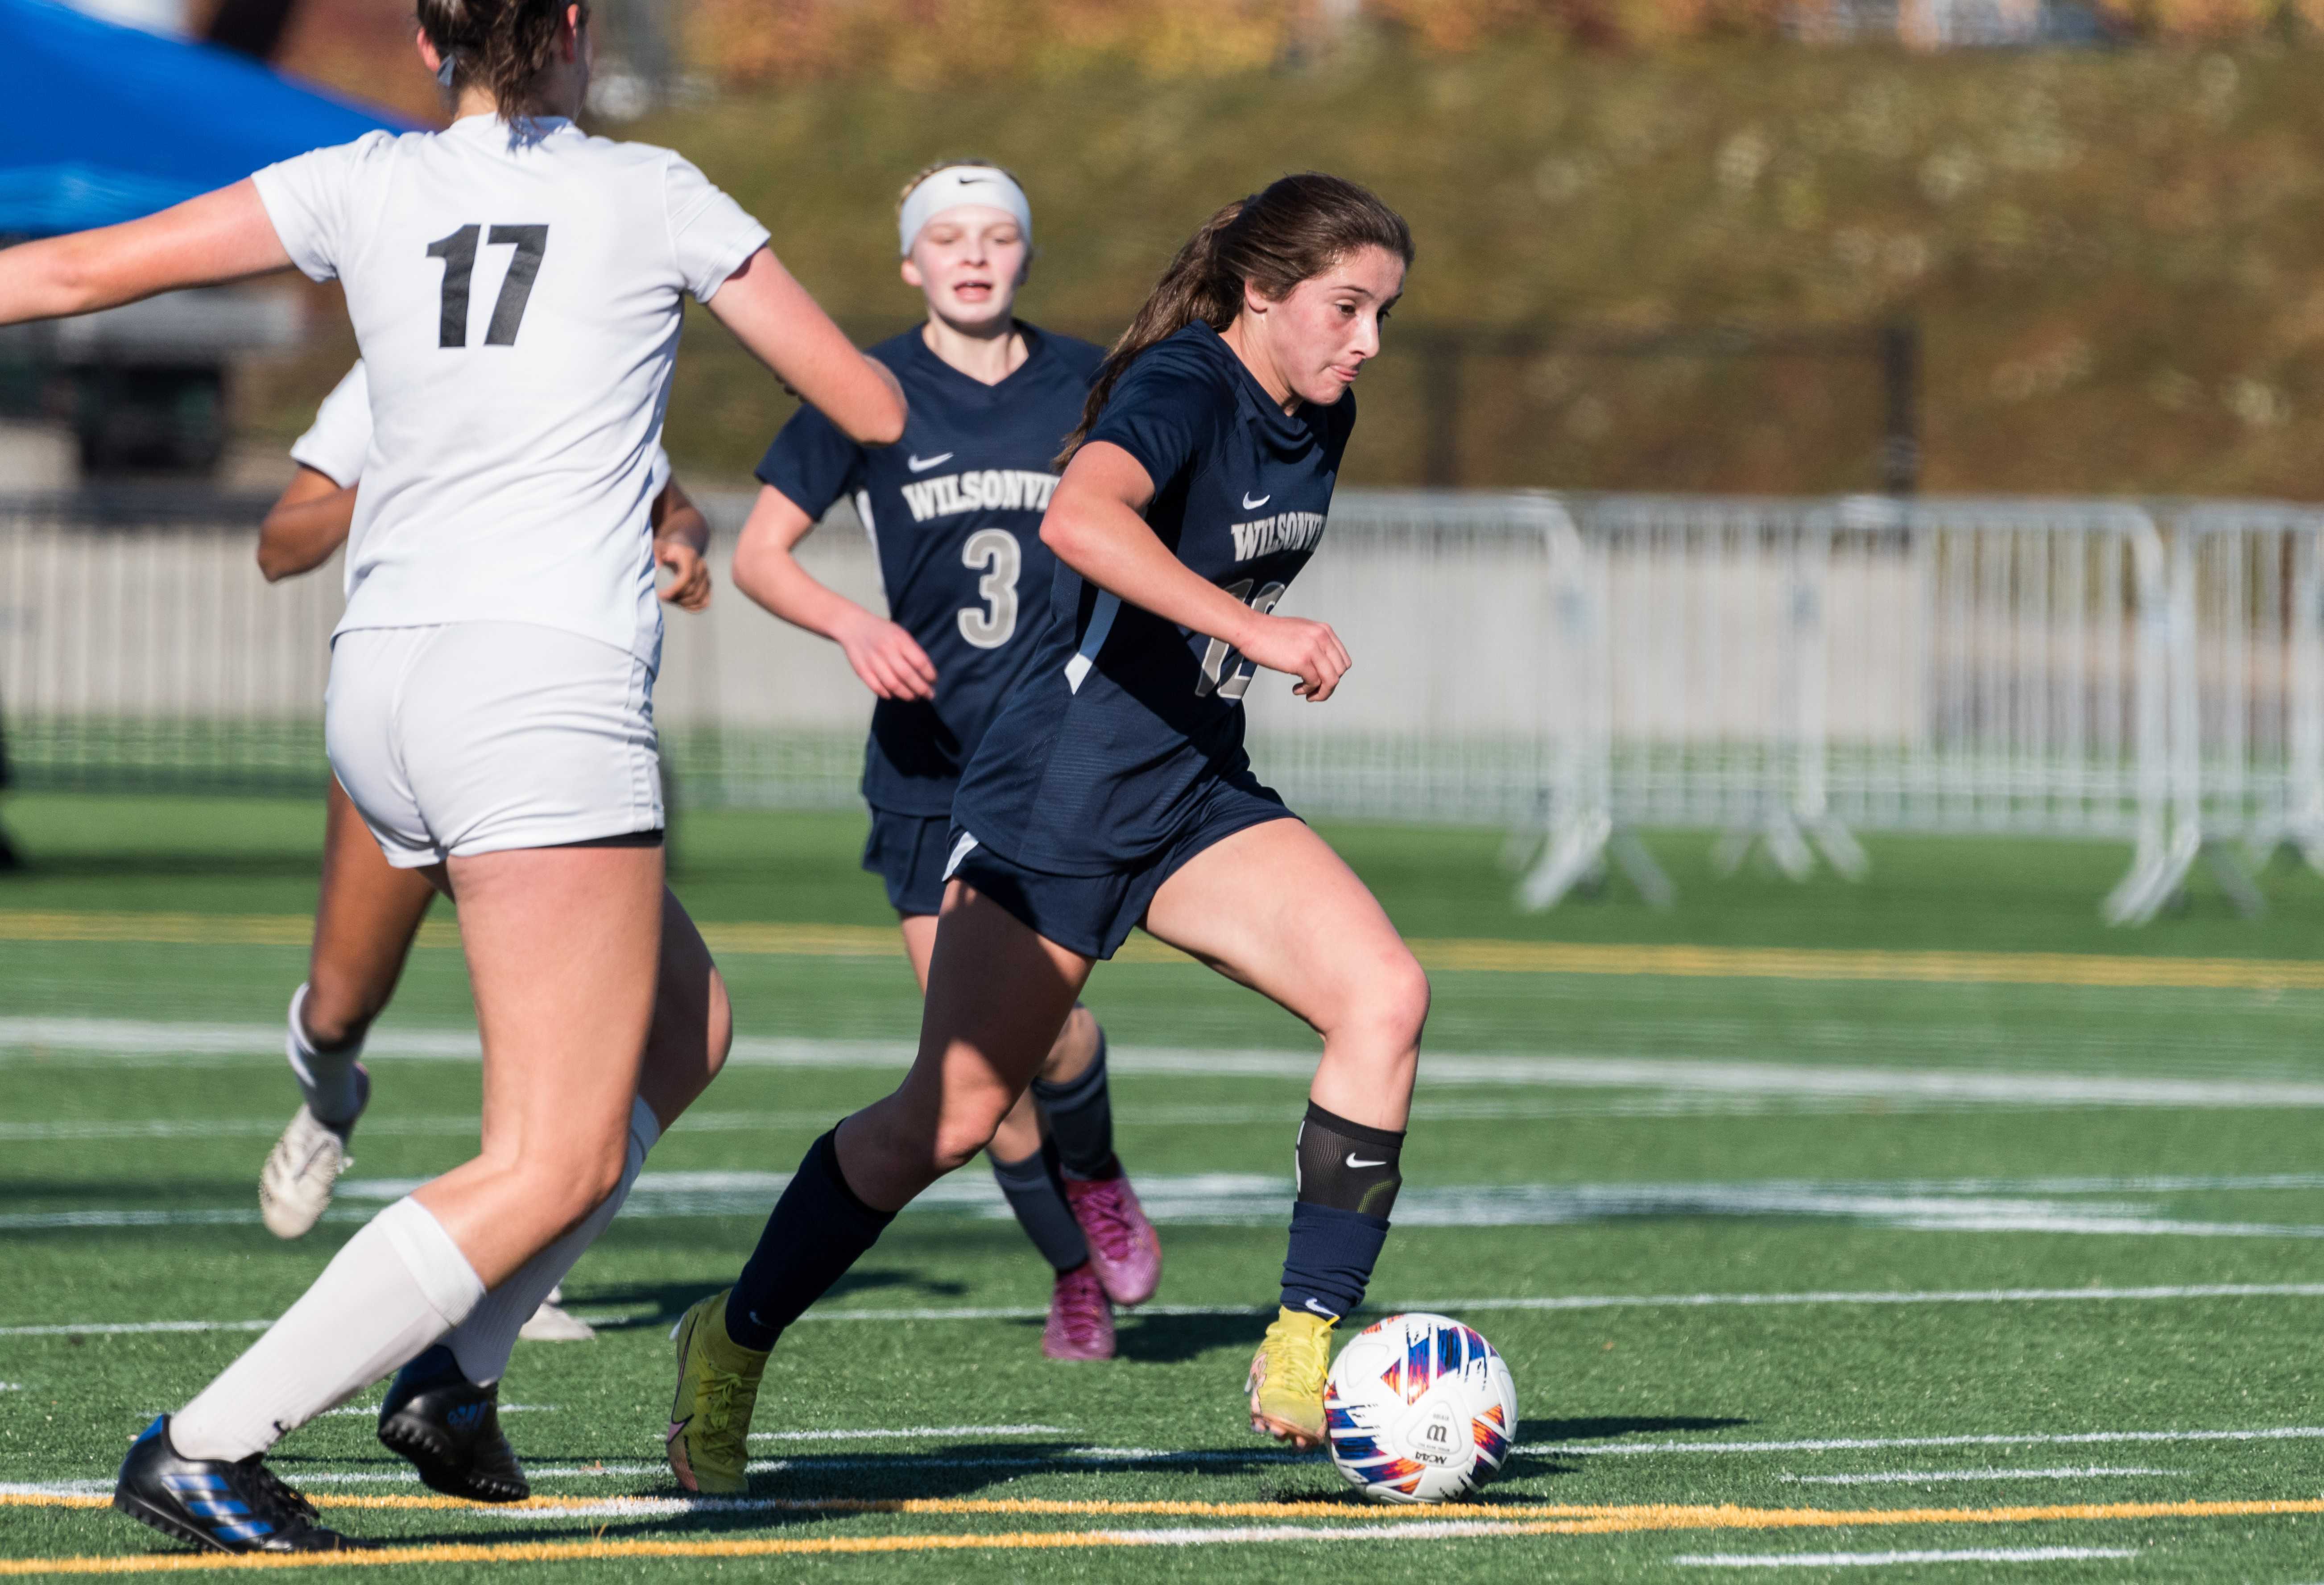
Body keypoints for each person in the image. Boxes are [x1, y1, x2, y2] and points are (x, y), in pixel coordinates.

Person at [0, 0, 905, 1554]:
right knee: (546, 1152)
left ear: (428, 44)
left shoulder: (362, 179)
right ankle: (205, 1443)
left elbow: (73, 268)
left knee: (685, 1028)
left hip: (384, 684)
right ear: (571, 30)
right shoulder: (653, 191)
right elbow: (873, 403)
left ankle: (460, 1375)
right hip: (534, 688)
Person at [666, 173, 1419, 1494]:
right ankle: (728, 1342)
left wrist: (1223, 650)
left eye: (1382, 315)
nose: (1366, 343)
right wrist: (1250, 628)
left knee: (1384, 995)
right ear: (1262, 292)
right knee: (942, 1123)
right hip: (1054, 797)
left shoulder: (1323, 410)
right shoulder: (1183, 385)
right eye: (1346, 308)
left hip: (1190, 787)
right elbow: (1080, 517)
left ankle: (1301, 1344)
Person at [730, 160, 1155, 1366]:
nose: (975, 255)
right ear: (909, 260)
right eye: (948, 238)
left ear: (1027, 254)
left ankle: (1102, 1170)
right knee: (969, 1061)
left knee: (1055, 1038)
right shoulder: (861, 389)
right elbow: (762, 553)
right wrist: (848, 623)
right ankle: (1071, 1270)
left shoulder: (1089, 383)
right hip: (925, 772)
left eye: (1001, 234)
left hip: (1055, 766)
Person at [253, 357, 715, 1370]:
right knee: (339, 1005)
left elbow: (673, 507)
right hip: (408, 722)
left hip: (543, 736)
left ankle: (516, 1264)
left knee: (637, 1018)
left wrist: (679, 546)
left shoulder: (597, 358)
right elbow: (278, 545)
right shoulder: (393, 366)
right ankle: (331, 1100)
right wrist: (402, 474)